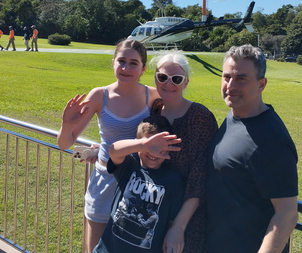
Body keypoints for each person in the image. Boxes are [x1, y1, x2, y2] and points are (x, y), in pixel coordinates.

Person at [57, 39, 160, 253]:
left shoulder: (153, 97)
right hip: (105, 179)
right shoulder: (99, 95)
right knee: (95, 247)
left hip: (136, 183)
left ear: (143, 68)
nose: (125, 68)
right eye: (121, 61)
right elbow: (65, 143)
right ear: (113, 62)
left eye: (133, 63)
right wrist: (66, 124)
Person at [206, 44, 299, 253]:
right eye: (227, 77)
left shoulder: (271, 139)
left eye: (241, 78)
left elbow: (287, 214)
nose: (230, 85)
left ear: (261, 84)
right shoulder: (236, 115)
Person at [150, 51, 218, 253]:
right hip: (154, 212)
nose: (168, 84)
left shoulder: (200, 117)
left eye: (176, 79)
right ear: (155, 78)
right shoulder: (154, 111)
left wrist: (179, 226)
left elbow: (201, 175)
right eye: (162, 77)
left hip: (187, 219)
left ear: (186, 82)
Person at [93, 115, 184, 253]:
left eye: (160, 148)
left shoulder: (173, 180)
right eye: (149, 147)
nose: (154, 153)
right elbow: (113, 150)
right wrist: (143, 144)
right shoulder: (129, 167)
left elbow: (171, 223)